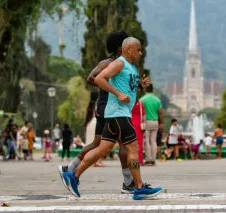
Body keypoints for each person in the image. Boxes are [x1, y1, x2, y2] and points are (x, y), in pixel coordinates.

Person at [61, 37, 162, 200]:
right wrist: (118, 94)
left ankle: (73, 175)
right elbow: (99, 79)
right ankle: (139, 187)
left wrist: (140, 86)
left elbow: (129, 89)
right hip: (118, 113)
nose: (141, 53)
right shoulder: (119, 63)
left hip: (118, 114)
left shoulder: (131, 68)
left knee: (103, 149)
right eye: (138, 50)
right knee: (133, 149)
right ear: (128, 49)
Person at [59, 31, 134, 194]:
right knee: (119, 145)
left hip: (112, 108)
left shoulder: (123, 64)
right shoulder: (108, 63)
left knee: (100, 145)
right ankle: (128, 181)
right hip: (107, 107)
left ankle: (70, 168)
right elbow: (91, 78)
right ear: (119, 47)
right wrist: (110, 88)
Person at [140, 84, 164, 166]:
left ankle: (148, 159)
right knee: (153, 141)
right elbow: (160, 113)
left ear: (145, 89)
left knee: (147, 141)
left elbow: (140, 112)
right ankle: (154, 159)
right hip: (155, 121)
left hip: (146, 121)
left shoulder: (142, 99)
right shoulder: (157, 100)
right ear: (152, 89)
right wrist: (161, 123)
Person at [131, 98, 146, 165]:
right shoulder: (140, 103)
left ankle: (130, 159)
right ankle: (139, 160)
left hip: (130, 122)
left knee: (130, 142)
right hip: (139, 124)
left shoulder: (129, 101)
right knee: (139, 143)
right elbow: (143, 115)